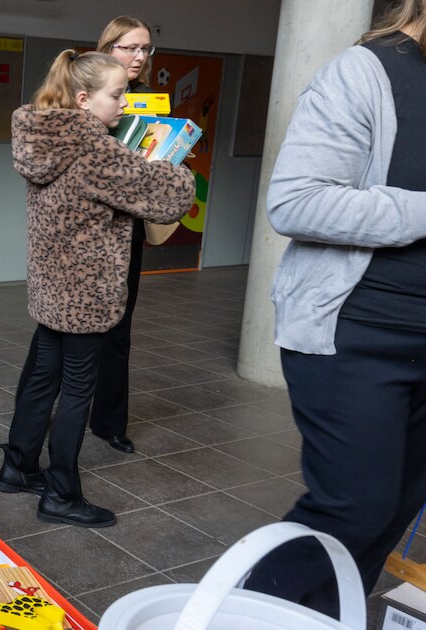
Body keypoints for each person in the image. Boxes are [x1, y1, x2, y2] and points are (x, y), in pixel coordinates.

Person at [243, 0, 426, 617]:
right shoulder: (366, 71)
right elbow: (297, 201)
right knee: (355, 506)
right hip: (358, 333)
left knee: (396, 507)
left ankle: (322, 619)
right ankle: (244, 615)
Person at [0, 50, 195, 528]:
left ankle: (17, 467)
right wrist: (178, 166)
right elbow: (169, 198)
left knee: (43, 378)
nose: (125, 104)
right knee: (77, 391)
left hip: (50, 288)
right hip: (87, 295)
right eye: (117, 95)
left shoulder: (42, 136)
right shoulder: (96, 151)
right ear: (84, 99)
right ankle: (61, 492)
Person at [87, 15, 159, 454]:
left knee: (119, 329)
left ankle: (109, 422)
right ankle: (34, 411)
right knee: (58, 330)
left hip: (128, 229)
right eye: (129, 47)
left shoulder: (152, 102)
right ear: (107, 47)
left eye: (144, 48)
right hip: (84, 229)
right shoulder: (85, 92)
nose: (138, 56)